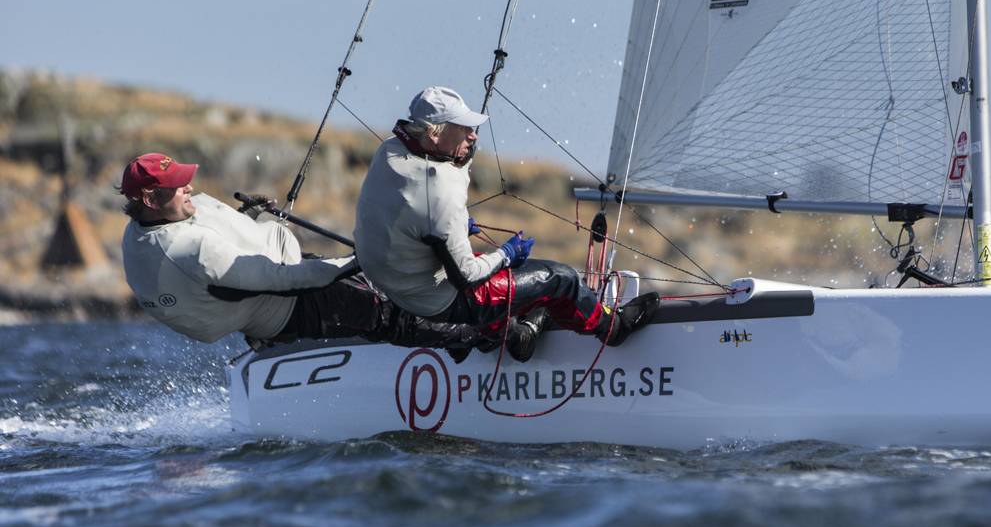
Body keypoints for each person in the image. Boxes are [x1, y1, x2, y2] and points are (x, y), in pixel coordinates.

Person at [354, 86, 658, 362]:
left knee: (485, 267)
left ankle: (512, 340)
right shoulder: (439, 189)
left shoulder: (390, 150)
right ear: (433, 134)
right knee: (561, 279)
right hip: (435, 302)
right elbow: (466, 278)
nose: (473, 136)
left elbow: (406, 212)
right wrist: (506, 255)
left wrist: (447, 228)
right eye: (463, 128)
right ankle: (613, 328)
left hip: (396, 285)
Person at [118, 153, 480, 356]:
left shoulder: (142, 230)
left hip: (275, 279)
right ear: (149, 199)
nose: (189, 187)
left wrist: (247, 218)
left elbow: (217, 262)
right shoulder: (187, 252)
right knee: (384, 314)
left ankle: (460, 319)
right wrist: (363, 259)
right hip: (292, 303)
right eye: (176, 186)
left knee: (384, 286)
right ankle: (481, 338)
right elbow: (282, 280)